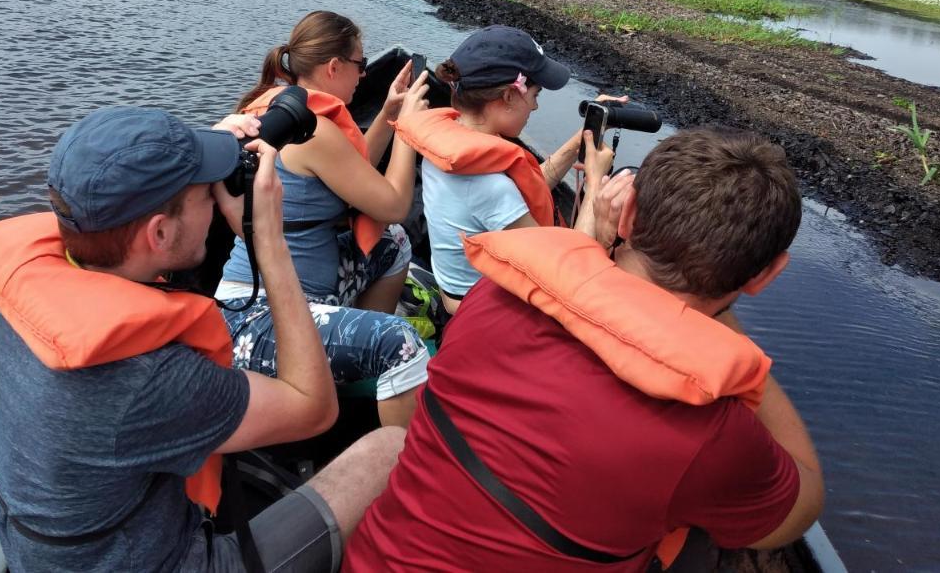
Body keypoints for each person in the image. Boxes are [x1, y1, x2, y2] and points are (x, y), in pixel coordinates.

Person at [345, 128, 825, 572]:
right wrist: (731, 351)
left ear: (628, 214)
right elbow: (802, 506)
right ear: (765, 275)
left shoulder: (491, 297)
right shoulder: (713, 432)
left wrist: (594, 243)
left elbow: (566, 300)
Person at [0, 106, 405, 573]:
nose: (216, 198)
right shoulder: (154, 380)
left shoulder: (28, 301)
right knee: (389, 448)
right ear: (160, 232)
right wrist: (269, 239)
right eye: (202, 193)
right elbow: (314, 409)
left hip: (55, 553)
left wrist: (182, 155)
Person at [219, 10, 431, 427]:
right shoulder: (314, 129)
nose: (362, 75)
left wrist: (388, 114)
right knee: (401, 343)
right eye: (361, 64)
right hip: (261, 320)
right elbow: (391, 205)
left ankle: (359, 363)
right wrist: (409, 131)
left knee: (394, 245)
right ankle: (396, 450)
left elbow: (352, 173)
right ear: (335, 67)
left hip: (281, 294)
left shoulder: (277, 106)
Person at [393, 24, 626, 314]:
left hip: (458, 291)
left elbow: (526, 185)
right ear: (508, 97)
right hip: (482, 315)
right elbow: (567, 273)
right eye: (535, 95)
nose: (536, 108)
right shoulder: (488, 186)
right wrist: (594, 184)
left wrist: (583, 136)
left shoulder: (449, 143)